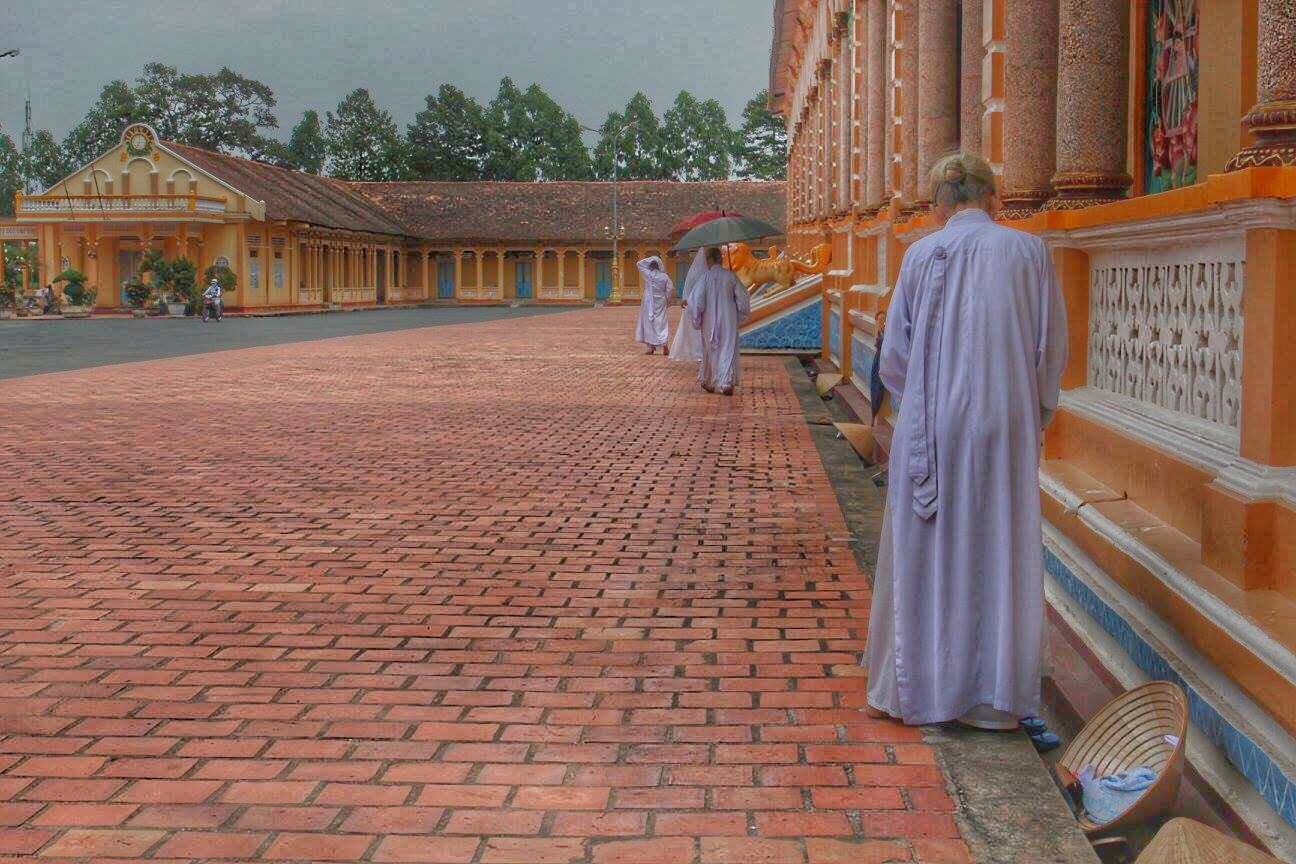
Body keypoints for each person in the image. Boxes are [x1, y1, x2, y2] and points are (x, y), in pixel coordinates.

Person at [865, 152, 1068, 730]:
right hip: (1005, 421)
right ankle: (993, 700)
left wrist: (928, 402)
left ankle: (922, 686)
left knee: (925, 553)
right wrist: (1029, 410)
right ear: (993, 198)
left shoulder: (919, 254)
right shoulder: (1029, 252)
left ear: (939, 205)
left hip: (930, 422)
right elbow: (1048, 351)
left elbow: (896, 359)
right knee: (996, 547)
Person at [689, 246, 751, 395]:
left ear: (709, 260)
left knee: (710, 349)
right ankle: (726, 381)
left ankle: (709, 380)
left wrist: (697, 319)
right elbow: (743, 297)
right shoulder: (730, 276)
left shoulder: (704, 278)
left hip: (709, 320)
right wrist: (741, 314)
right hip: (728, 317)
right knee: (727, 347)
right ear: (721, 259)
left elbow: (697, 302)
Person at [669, 249, 706, 363]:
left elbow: (687, 289)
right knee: (699, 331)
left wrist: (685, 300)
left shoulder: (693, 271)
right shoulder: (706, 273)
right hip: (699, 304)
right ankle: (700, 352)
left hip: (691, 304)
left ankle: (697, 351)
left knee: (692, 331)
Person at [634, 256, 673, 355]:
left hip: (649, 302)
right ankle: (664, 344)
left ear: (650, 266)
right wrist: (667, 300)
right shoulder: (665, 277)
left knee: (649, 323)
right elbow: (670, 289)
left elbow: (639, 263)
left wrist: (653, 258)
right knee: (661, 322)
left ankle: (650, 347)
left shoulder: (648, 274)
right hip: (661, 301)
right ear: (659, 266)